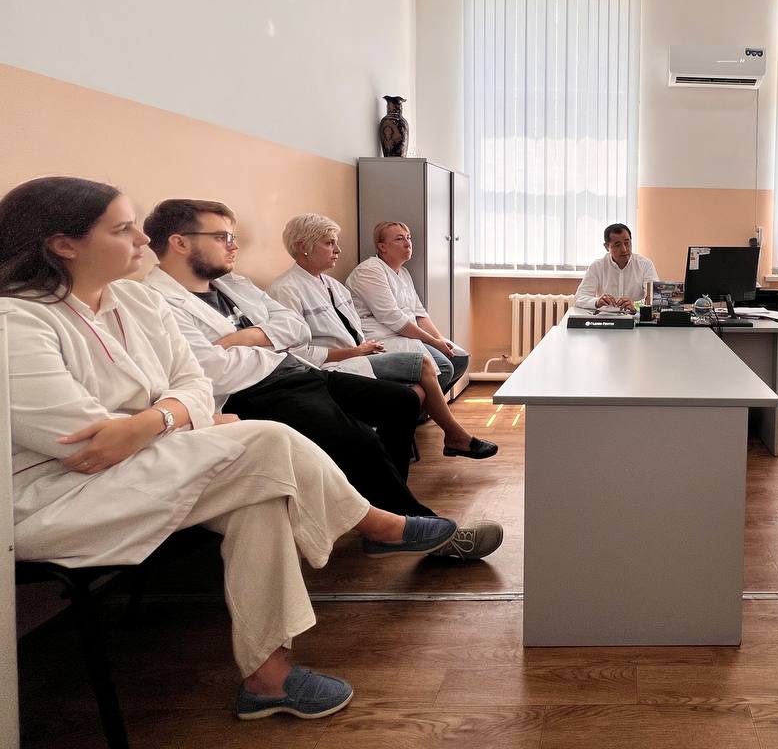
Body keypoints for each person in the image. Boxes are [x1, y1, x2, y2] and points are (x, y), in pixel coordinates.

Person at [0, 177, 462, 720]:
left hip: (153, 465)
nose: (143, 241)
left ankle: (268, 679)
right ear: (63, 244)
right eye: (123, 230)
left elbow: (194, 383)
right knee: (265, 438)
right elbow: (87, 441)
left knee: (260, 495)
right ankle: (378, 525)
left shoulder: (135, 300)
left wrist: (157, 419)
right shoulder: (17, 321)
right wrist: (182, 416)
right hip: (59, 496)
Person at [141, 198, 501, 550]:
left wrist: (247, 338)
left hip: (297, 372)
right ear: (180, 242)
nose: (234, 246)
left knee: (402, 402)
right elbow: (213, 370)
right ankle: (408, 526)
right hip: (253, 392)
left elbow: (296, 327)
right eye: (223, 237)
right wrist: (271, 343)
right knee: (359, 439)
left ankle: (388, 506)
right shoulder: (157, 301)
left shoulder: (232, 284)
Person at [266, 213, 496, 459]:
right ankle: (453, 436)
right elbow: (297, 354)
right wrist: (355, 351)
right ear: (303, 246)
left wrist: (364, 348)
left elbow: (360, 327)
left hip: (360, 354)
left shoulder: (333, 285)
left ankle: (420, 440)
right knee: (423, 365)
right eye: (329, 243)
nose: (338, 250)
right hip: (332, 367)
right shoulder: (286, 290)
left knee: (440, 369)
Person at [345, 221, 473, 408]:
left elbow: (419, 314)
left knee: (459, 359)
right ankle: (410, 411)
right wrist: (433, 342)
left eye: (408, 238)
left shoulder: (403, 273)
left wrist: (439, 341)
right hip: (384, 337)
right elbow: (393, 318)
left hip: (407, 334)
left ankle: (421, 410)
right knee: (444, 368)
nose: (407, 244)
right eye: (399, 239)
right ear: (382, 247)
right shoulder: (369, 271)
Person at [573, 223, 658, 312]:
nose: (624, 249)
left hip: (635, 317)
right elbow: (579, 298)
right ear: (607, 247)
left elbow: (655, 299)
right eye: (617, 245)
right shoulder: (597, 266)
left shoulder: (645, 265)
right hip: (606, 318)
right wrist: (597, 302)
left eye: (627, 243)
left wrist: (635, 305)